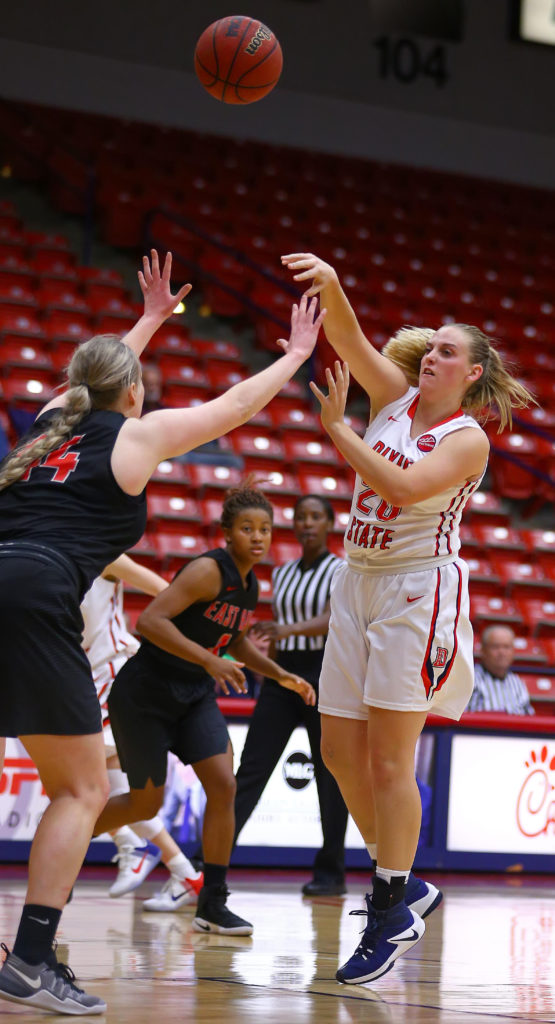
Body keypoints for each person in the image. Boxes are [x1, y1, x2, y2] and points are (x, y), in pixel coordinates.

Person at [0, 249, 325, 1015]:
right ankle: (29, 961)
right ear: (135, 392)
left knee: (65, 789)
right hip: (37, 593)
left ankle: (33, 953)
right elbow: (234, 409)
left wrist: (145, 320)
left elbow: (89, 382)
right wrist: (299, 357)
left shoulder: (51, 426)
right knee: (83, 790)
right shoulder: (134, 438)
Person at [282, 251, 534, 985]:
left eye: (447, 352)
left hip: (416, 593)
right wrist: (332, 284)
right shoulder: (392, 395)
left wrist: (338, 432)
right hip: (357, 583)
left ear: (471, 376)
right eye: (431, 347)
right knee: (337, 753)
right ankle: (407, 883)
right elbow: (353, 342)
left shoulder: (465, 440)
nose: (431, 355)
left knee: (391, 761)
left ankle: (389, 902)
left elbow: (396, 483)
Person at [91, 480, 316, 934]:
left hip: (193, 696)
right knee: (143, 802)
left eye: (266, 529)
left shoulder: (249, 585)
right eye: (247, 528)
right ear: (227, 534)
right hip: (146, 695)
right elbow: (149, 621)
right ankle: (69, 835)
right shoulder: (207, 571)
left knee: (223, 786)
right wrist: (213, 660)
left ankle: (212, 902)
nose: (257, 536)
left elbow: (234, 641)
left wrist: (280, 675)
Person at [234, 494, 349, 896]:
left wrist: (287, 630)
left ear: (330, 524)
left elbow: (333, 617)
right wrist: (272, 676)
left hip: (325, 675)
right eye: (301, 517)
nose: (307, 523)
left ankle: (331, 873)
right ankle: (210, 862)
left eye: (316, 516)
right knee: (251, 769)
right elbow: (280, 634)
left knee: (329, 776)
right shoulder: (281, 573)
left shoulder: (342, 569)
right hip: (284, 677)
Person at [81, 554, 204, 900]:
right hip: (78, 681)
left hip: (111, 677)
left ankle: (134, 846)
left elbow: (166, 592)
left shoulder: (104, 553)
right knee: (102, 790)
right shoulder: (43, 554)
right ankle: (185, 873)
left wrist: (197, 639)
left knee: (76, 788)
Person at [467, 624, 534, 715]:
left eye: (506, 647)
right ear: (483, 650)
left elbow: (529, 718)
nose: (502, 652)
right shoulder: (470, 680)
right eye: (495, 647)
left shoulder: (517, 683)